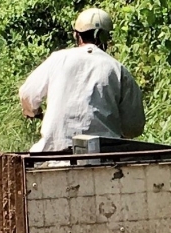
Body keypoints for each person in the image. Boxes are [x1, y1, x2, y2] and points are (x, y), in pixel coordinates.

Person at [18, 8, 146, 153]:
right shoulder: (118, 69)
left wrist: (32, 112)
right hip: (105, 158)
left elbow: (27, 93)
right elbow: (134, 126)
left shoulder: (58, 59)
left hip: (54, 155)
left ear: (77, 36)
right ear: (106, 38)